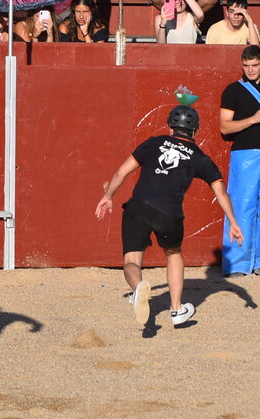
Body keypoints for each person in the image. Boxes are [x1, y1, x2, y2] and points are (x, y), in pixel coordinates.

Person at [95, 105, 243, 328]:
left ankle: (138, 289)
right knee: (173, 254)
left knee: (131, 261)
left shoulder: (154, 143)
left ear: (170, 127)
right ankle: (176, 310)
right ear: (195, 131)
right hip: (169, 214)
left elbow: (121, 173)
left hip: (139, 207)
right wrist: (232, 221)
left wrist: (108, 196)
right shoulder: (199, 157)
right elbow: (220, 191)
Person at [218, 44, 260, 277]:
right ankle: (237, 263)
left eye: (255, 66)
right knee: (242, 205)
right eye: (247, 66)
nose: (250, 70)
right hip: (246, 153)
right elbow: (224, 126)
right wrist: (252, 119)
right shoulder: (233, 90)